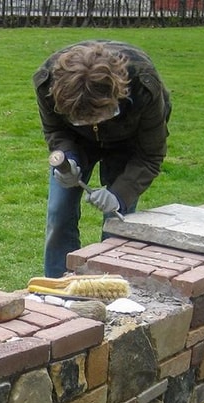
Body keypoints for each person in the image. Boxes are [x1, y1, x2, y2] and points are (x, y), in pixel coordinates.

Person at [34, 40, 171, 277]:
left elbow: (150, 154)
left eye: (98, 116)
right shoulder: (47, 83)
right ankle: (57, 286)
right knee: (59, 214)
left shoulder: (144, 84)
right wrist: (68, 159)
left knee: (117, 223)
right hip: (77, 140)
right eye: (83, 118)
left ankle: (111, 285)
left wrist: (119, 195)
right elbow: (56, 131)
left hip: (128, 139)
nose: (94, 124)